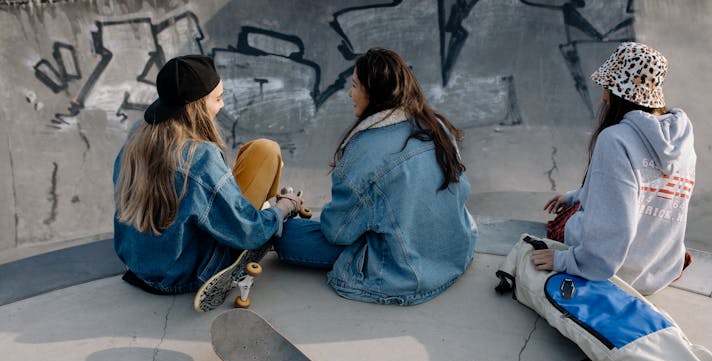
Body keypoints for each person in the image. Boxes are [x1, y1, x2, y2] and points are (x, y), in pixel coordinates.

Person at [274, 48, 477, 305]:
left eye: (355, 86)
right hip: (453, 253)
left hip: (404, 273)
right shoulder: (435, 125)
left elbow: (337, 233)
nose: (350, 93)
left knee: (288, 236)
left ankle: (283, 217)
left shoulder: (365, 151)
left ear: (375, 93)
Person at [113, 54, 303, 294]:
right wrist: (284, 208)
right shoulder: (199, 157)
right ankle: (263, 211)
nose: (222, 105)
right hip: (185, 273)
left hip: (139, 266)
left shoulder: (137, 136)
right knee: (268, 150)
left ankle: (244, 205)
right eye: (218, 98)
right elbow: (249, 232)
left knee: (258, 151)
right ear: (198, 106)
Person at [531, 42, 696, 295]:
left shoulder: (615, 139)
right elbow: (646, 192)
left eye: (607, 88)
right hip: (659, 266)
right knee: (582, 205)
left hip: (618, 271)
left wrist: (565, 260)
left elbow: (618, 226)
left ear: (620, 92)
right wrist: (576, 195)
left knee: (562, 222)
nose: (604, 97)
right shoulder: (681, 139)